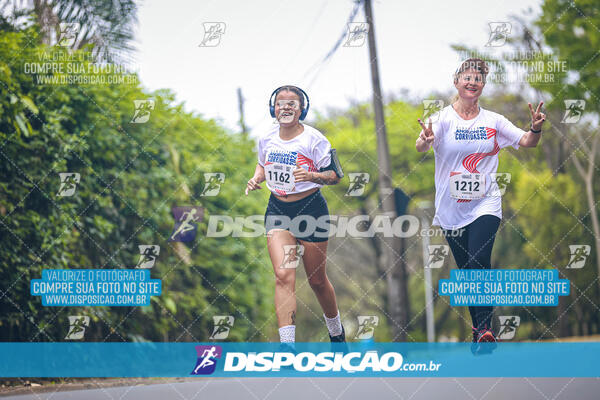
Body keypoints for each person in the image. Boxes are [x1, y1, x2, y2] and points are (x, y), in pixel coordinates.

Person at [415, 59, 546, 349]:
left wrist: (535, 129)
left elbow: (526, 142)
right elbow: (421, 144)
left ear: (483, 86)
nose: (472, 83)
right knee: (469, 273)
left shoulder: (494, 121)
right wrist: (426, 139)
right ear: (457, 82)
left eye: (478, 79)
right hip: (450, 210)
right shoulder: (443, 119)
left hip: (485, 203)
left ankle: (486, 328)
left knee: (478, 261)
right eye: (467, 78)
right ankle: (479, 330)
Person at [246, 85, 346, 348]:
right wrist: (257, 178)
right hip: (278, 211)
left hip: (311, 210)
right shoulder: (267, 138)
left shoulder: (314, 140)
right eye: (281, 103)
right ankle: (287, 346)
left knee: (316, 280)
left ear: (302, 109)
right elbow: (262, 164)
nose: (286, 107)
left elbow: (334, 176)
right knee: (283, 275)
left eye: (292, 103)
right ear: (273, 108)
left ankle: (336, 333)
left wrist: (312, 175)